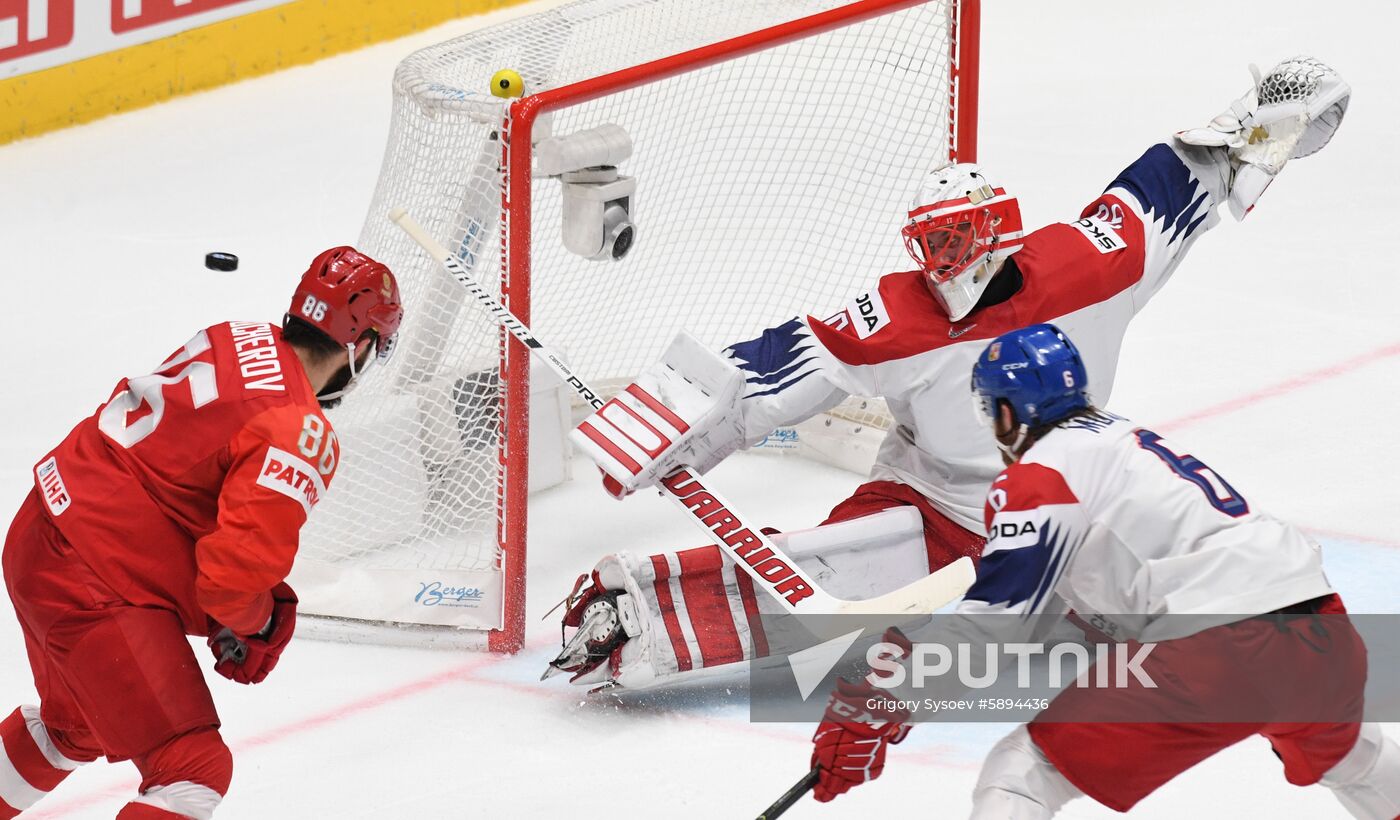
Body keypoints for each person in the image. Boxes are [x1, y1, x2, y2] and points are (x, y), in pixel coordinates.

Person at [544, 56, 1354, 690]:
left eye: (955, 245)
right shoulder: (897, 316)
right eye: (930, 248)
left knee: (1162, 629)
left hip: (1062, 500)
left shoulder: (1092, 264)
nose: (940, 267)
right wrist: (678, 425)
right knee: (827, 580)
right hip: (930, 499)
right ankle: (631, 612)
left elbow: (1176, 178)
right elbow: (776, 364)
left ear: (1000, 236)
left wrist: (1264, 119)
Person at [806, 323, 1400, 818]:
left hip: (1221, 645)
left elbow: (996, 629)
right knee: (1353, 759)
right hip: (1323, 629)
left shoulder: (1042, 474)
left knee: (1023, 774)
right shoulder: (1120, 439)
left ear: (1006, 412)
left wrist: (887, 700)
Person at [0, 247, 402, 819]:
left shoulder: (236, 334)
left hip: (41, 525)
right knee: (190, 771)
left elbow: (171, 478)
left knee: (77, 723)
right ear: (359, 347)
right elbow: (231, 581)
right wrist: (259, 621)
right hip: (89, 575)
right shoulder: (299, 429)